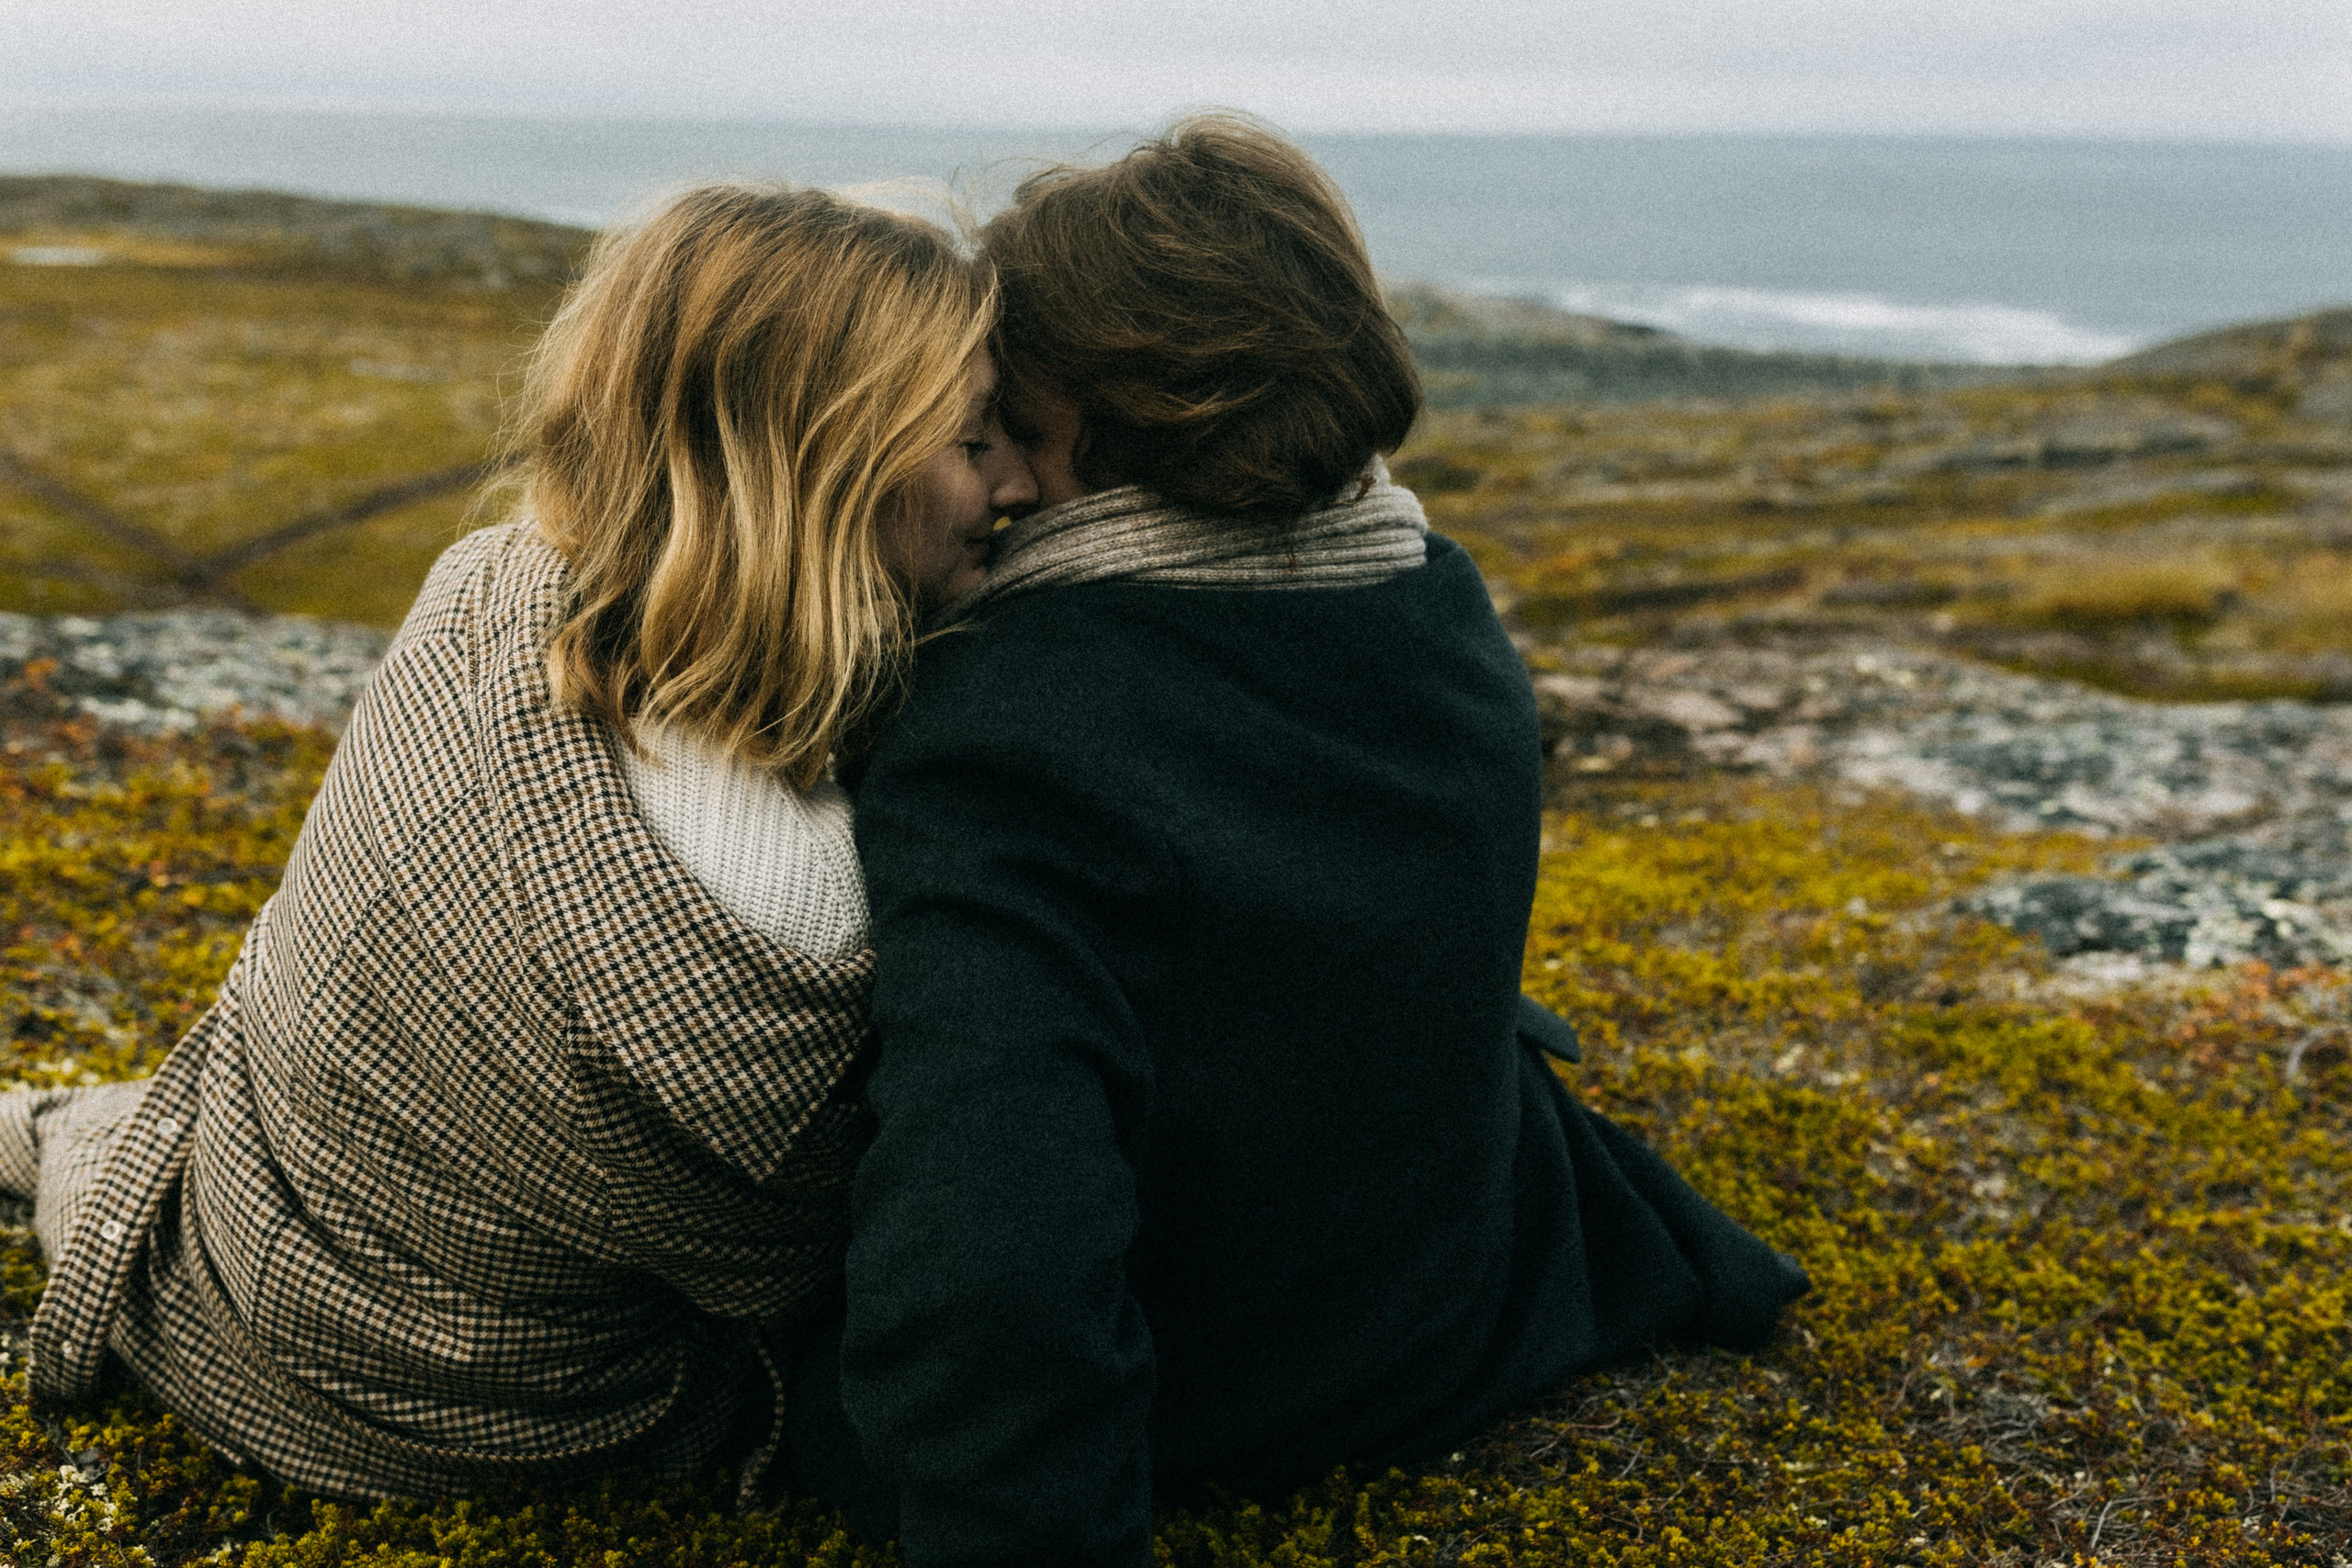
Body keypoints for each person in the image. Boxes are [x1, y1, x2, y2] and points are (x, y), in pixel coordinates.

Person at [782, 117, 1811, 1564]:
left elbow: (993, 1230)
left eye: (1012, 415)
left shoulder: (1009, 723)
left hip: (1208, 1390)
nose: (999, 468)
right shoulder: (1435, 604)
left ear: (1103, 421)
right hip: (1445, 1312)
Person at [0, 182, 1036, 1500]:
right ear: (827, 471)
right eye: (974, 439)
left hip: (254, 1251)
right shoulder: (809, 896)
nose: (1017, 485)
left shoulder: (496, 584)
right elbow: (795, 1263)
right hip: (470, 1409)